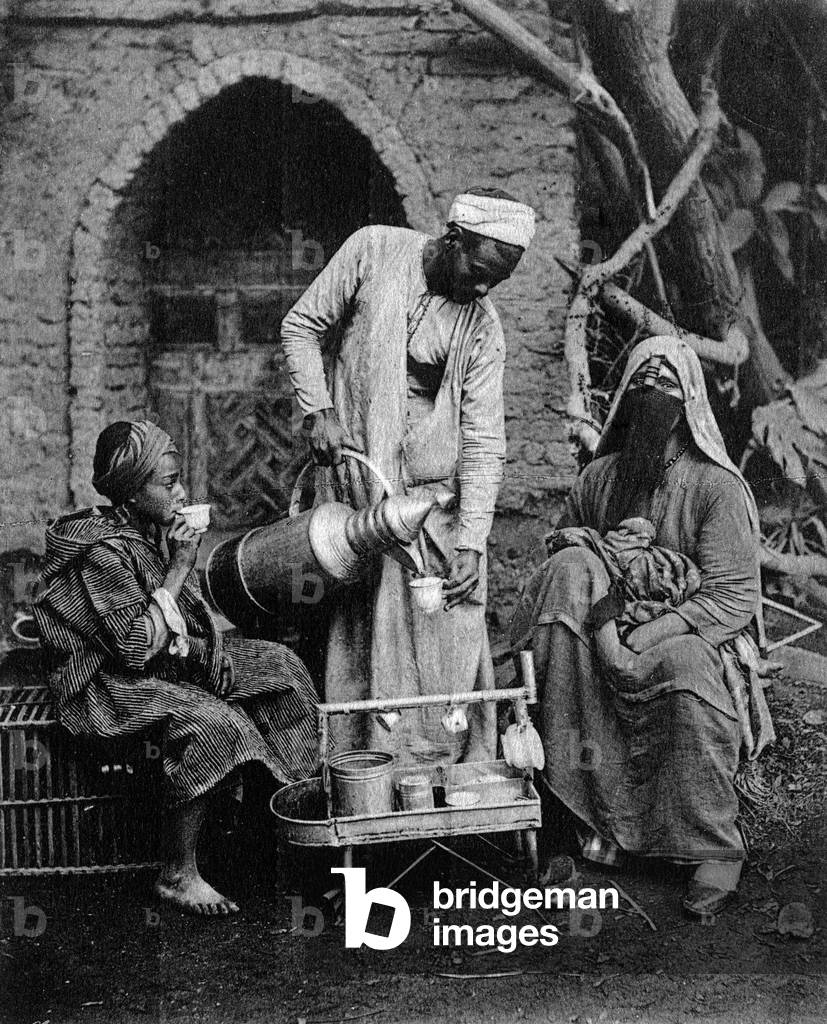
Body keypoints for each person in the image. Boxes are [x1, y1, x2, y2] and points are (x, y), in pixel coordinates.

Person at [510, 335, 774, 919]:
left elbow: (730, 595)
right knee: (565, 578)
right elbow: (565, 557)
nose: (653, 397)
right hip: (600, 633)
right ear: (625, 397)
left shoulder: (715, 488)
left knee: (683, 669)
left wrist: (647, 636)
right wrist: (604, 616)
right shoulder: (598, 479)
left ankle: (709, 845)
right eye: (642, 386)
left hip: (685, 632)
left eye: (667, 388)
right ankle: (578, 823)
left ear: (689, 407)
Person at [280, 188, 535, 762]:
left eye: (497, 282)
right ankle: (361, 767)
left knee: (450, 617)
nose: (482, 289)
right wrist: (318, 410)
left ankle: (449, 772)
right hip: (358, 482)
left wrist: (472, 542)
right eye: (478, 271)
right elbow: (300, 326)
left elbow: (484, 441)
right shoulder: (373, 252)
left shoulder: (482, 331)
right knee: (361, 628)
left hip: (433, 501)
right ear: (453, 239)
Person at [34, 420, 319, 916]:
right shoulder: (101, 552)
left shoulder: (145, 530)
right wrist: (182, 563)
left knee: (283, 671)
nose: (182, 492)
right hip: (104, 688)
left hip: (160, 666)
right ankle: (176, 872)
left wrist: (211, 652)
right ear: (130, 491)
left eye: (178, 479)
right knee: (215, 722)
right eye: (168, 484)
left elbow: (179, 616)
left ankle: (264, 827)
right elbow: (135, 648)